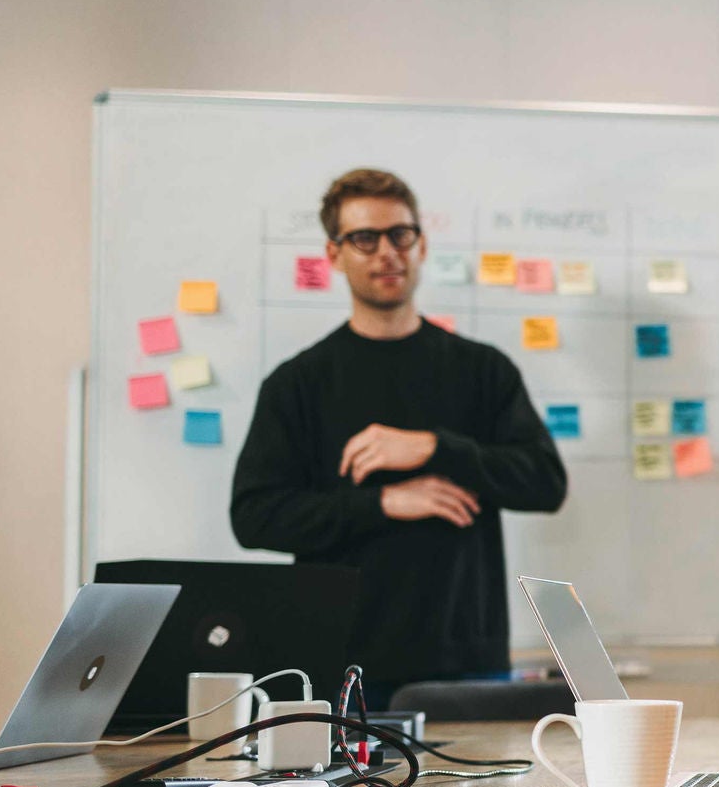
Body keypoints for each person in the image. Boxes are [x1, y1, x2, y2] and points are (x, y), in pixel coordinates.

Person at [230, 169, 567, 709]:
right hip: (340, 662)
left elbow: (546, 484)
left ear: (422, 244)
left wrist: (437, 447)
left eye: (400, 235)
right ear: (335, 254)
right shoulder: (298, 384)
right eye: (365, 238)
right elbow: (253, 516)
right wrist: (384, 502)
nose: (386, 252)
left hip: (465, 664)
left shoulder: (482, 370)